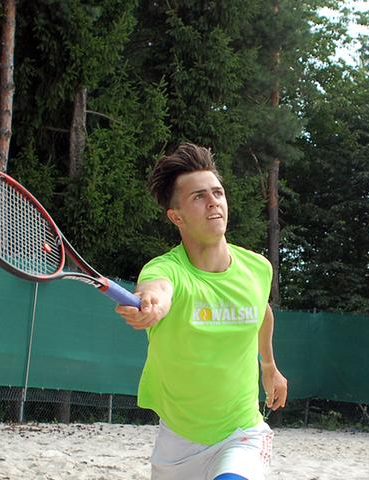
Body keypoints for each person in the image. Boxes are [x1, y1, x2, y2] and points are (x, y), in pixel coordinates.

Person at [115, 143, 288, 480]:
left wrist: (268, 365)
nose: (213, 201)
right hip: (177, 443)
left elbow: (261, 312)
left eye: (217, 192)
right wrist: (153, 304)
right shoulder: (166, 270)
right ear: (175, 216)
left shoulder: (257, 268)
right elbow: (157, 290)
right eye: (198, 196)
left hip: (242, 433)